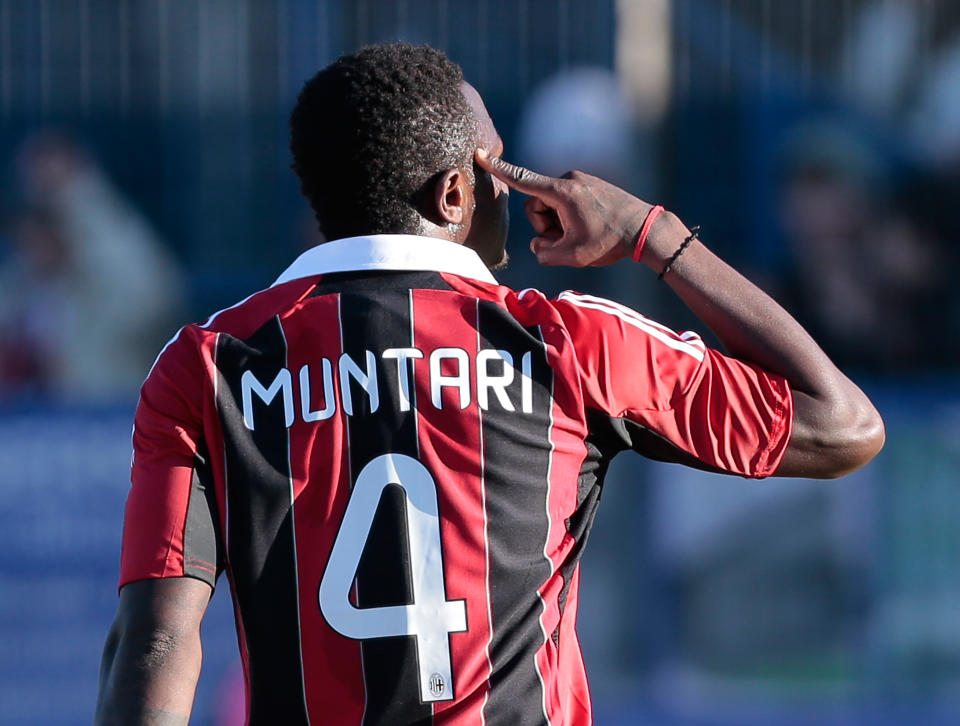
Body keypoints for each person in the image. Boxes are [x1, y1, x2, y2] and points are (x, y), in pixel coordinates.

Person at [95, 44, 884, 726]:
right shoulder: (570, 344)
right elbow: (843, 426)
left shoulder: (207, 365)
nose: (515, 184)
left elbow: (157, 640)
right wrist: (654, 234)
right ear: (452, 195)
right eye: (499, 163)